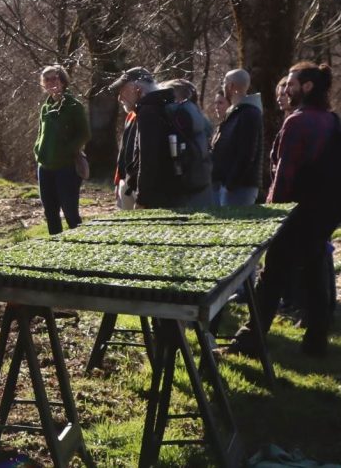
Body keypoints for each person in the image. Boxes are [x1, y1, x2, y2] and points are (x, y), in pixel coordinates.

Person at [227, 63, 339, 357]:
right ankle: (316, 342)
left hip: (295, 214)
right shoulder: (332, 120)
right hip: (324, 212)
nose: (285, 89)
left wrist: (272, 214)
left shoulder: (297, 122)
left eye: (291, 83)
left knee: (271, 276)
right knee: (315, 274)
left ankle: (249, 341)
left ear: (307, 87)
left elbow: (284, 175)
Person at [111, 67, 212, 209]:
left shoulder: (148, 112)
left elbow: (148, 160)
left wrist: (142, 200)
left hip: (158, 197)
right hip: (174, 193)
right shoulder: (165, 105)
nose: (120, 98)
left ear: (136, 88)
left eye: (123, 90)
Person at [33, 65, 90, 234]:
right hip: (45, 167)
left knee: (70, 211)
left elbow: (84, 134)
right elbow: (40, 133)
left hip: (66, 167)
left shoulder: (74, 106)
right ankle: (55, 248)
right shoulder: (45, 107)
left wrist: (67, 151)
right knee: (50, 212)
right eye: (47, 79)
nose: (51, 82)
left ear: (63, 80)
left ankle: (80, 245)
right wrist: (38, 150)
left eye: (54, 78)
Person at [210, 69, 264, 206]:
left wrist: (230, 184)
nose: (223, 86)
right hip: (228, 184)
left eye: (224, 83)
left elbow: (247, 153)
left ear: (231, 86)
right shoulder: (235, 113)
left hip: (240, 187)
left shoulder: (249, 114)